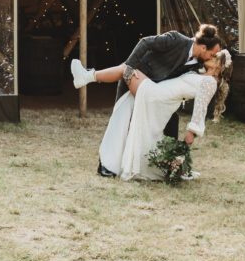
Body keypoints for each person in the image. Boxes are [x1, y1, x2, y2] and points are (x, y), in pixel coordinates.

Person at [71, 24, 222, 173]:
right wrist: (130, 66)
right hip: (136, 79)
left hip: (155, 92)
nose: (212, 57)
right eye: (213, 54)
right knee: (121, 118)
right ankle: (106, 165)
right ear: (203, 48)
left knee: (168, 122)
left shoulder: (197, 65)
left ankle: (166, 165)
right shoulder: (176, 39)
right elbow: (145, 42)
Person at [97, 48, 233, 181]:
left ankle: (90, 76)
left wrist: (192, 131)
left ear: (219, 67)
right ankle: (110, 163)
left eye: (215, 58)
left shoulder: (210, 83)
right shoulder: (201, 74)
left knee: (126, 69)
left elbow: (200, 108)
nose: (210, 57)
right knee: (127, 104)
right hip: (159, 94)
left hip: (158, 97)